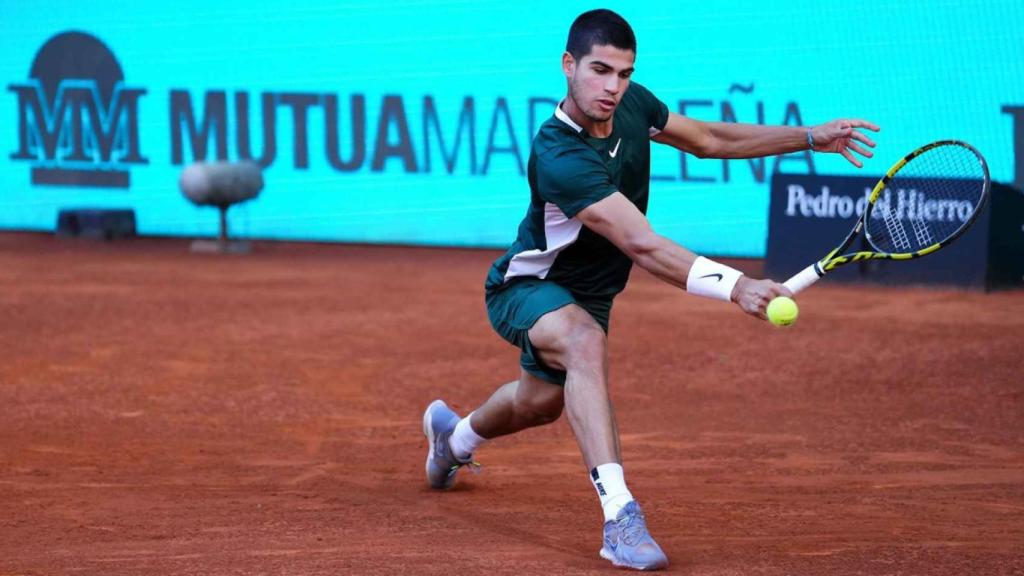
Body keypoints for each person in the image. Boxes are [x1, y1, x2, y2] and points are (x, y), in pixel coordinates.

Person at [423, 8, 879, 571]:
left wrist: (809, 137)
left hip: (590, 294)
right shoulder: (559, 153)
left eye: (624, 73)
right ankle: (620, 518)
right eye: (599, 70)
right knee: (584, 343)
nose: (612, 87)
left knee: (537, 403)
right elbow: (640, 243)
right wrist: (736, 287)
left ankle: (454, 438)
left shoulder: (633, 104)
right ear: (568, 66)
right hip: (529, 285)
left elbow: (709, 138)